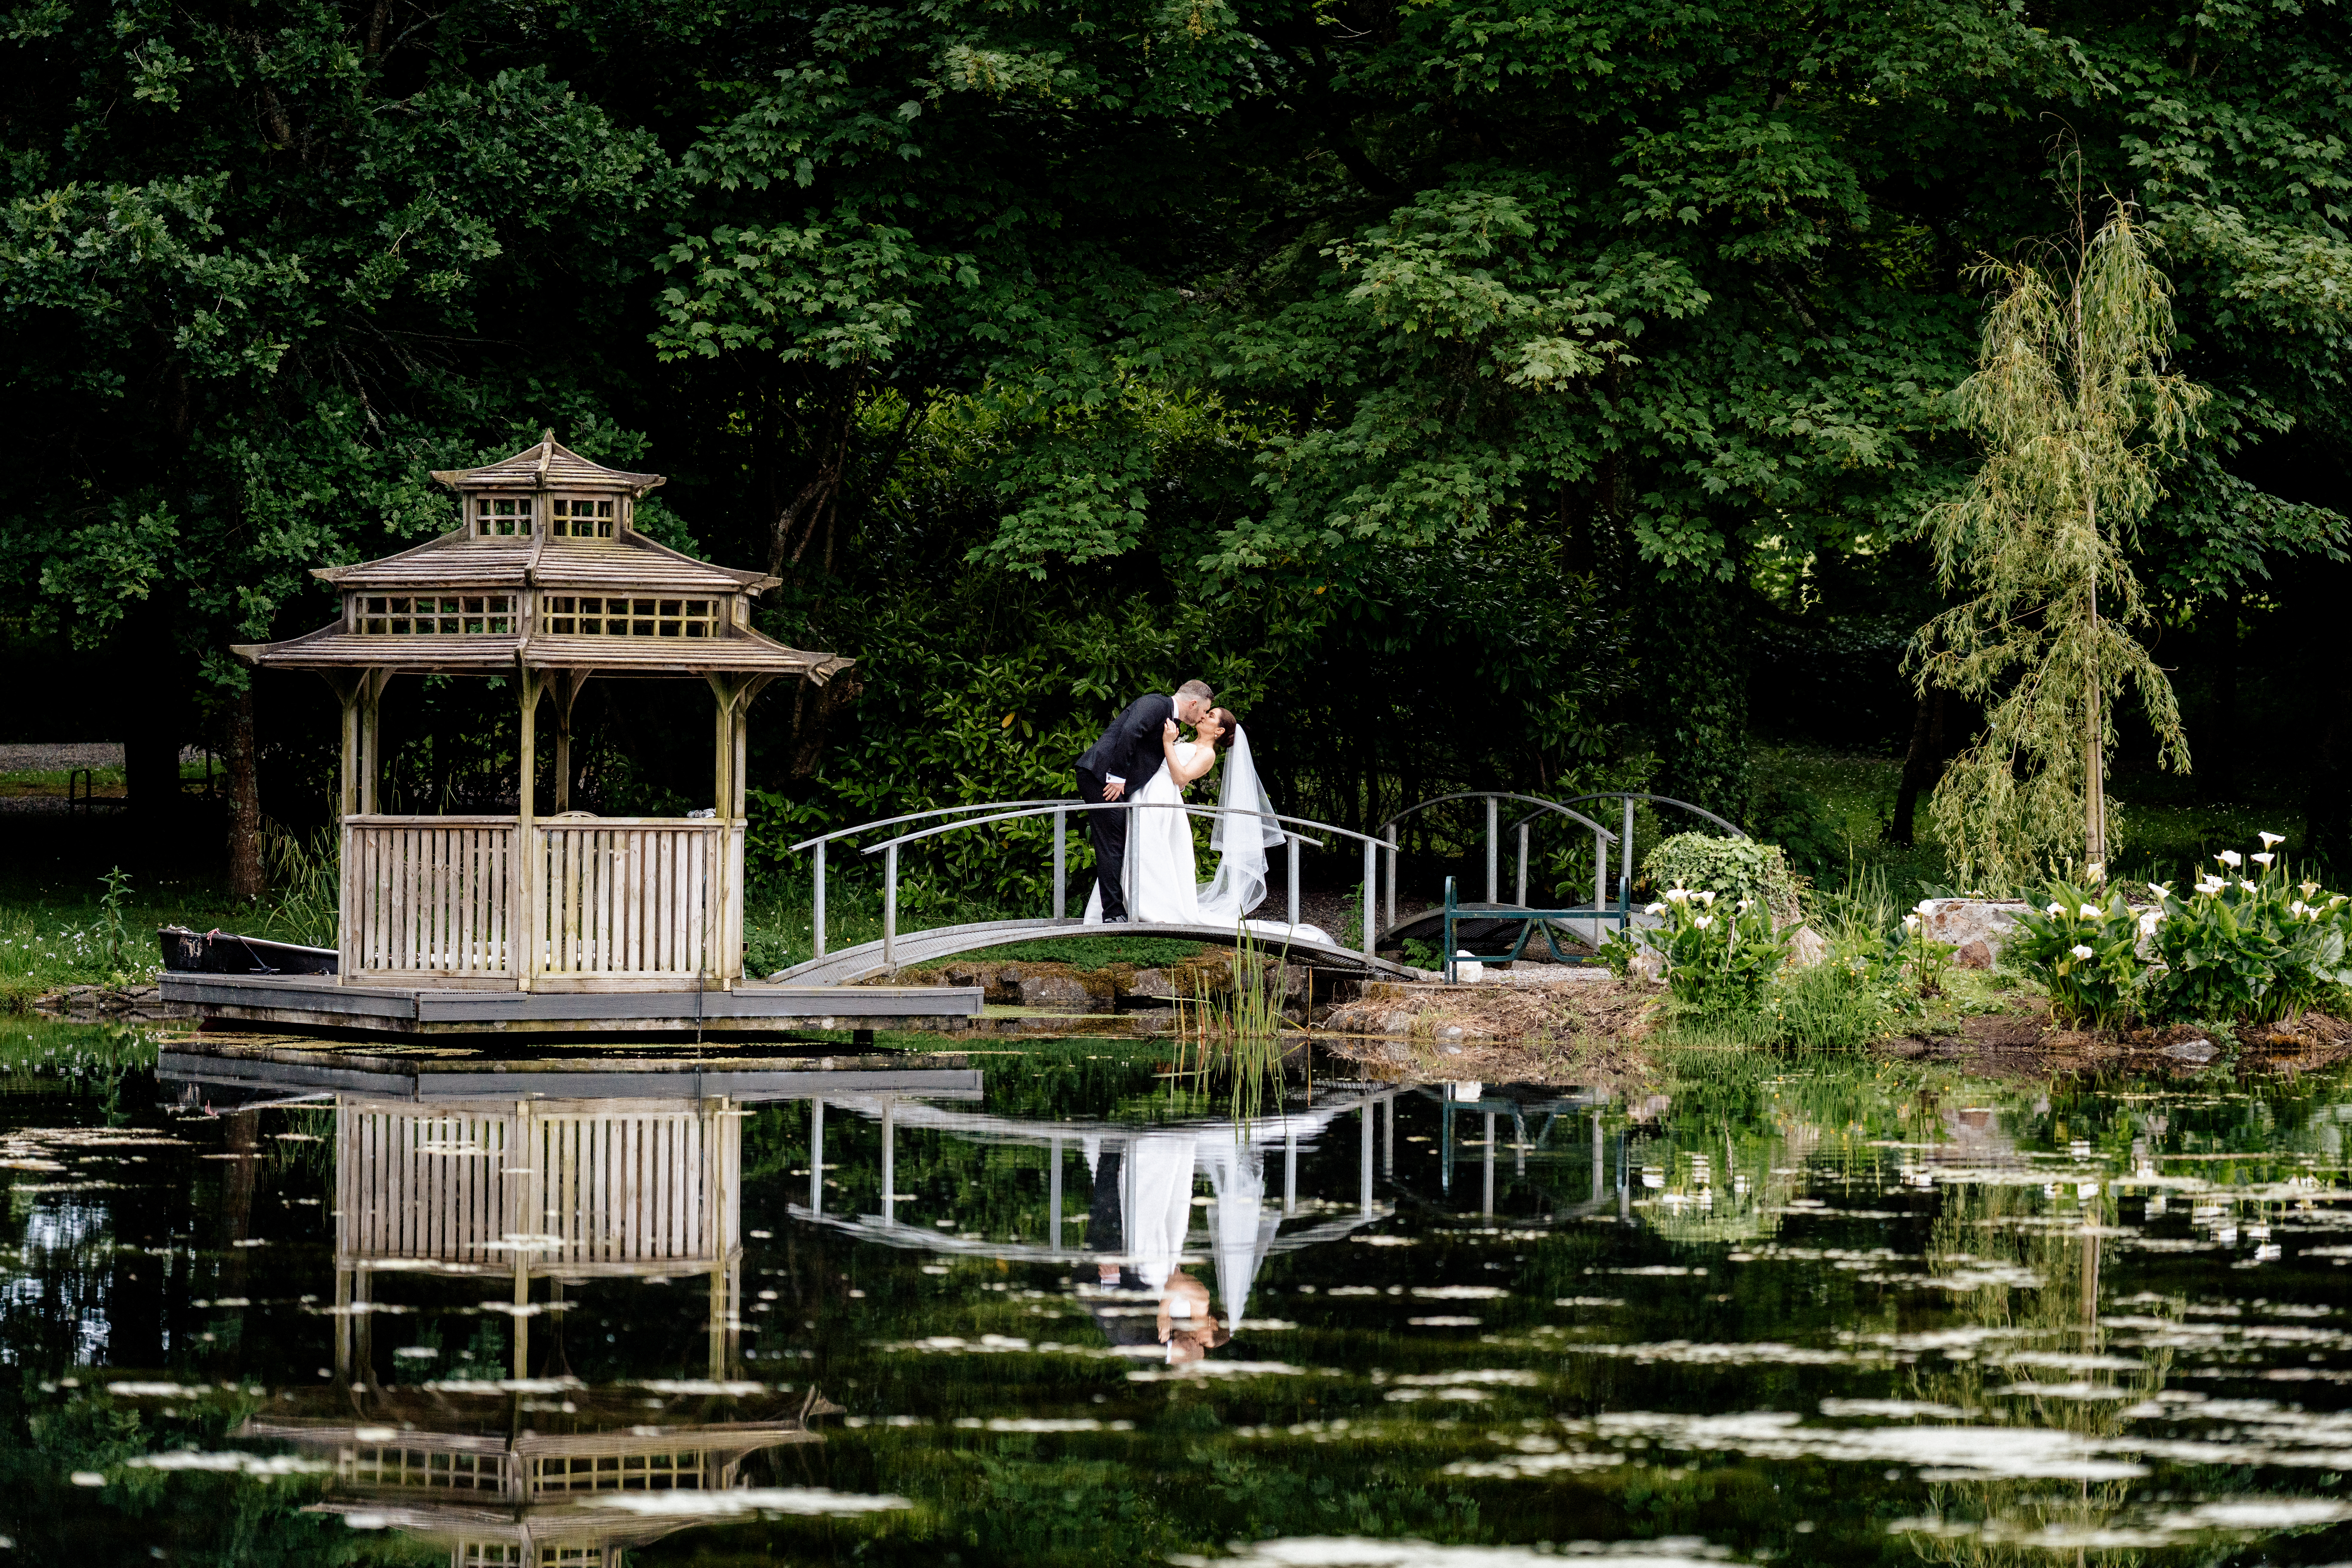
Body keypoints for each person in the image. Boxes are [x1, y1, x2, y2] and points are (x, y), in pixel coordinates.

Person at [1080, 704, 1332, 943]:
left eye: (1211, 716)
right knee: (1128, 850)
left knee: (1148, 853)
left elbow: (1180, 777)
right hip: (1146, 795)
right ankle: (1117, 908)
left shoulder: (1207, 754)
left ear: (1219, 731)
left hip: (1161, 803)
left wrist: (1168, 744)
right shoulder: (1187, 743)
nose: (1205, 716)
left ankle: (1149, 910)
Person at [1074, 680, 1213, 922]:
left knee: (1117, 843)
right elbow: (1130, 731)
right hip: (1100, 777)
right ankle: (1113, 914)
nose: (1202, 717)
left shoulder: (1171, 720)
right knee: (1112, 844)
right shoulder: (1157, 704)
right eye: (1203, 711)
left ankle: (1116, 910)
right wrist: (1117, 777)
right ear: (1193, 704)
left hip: (1108, 780)